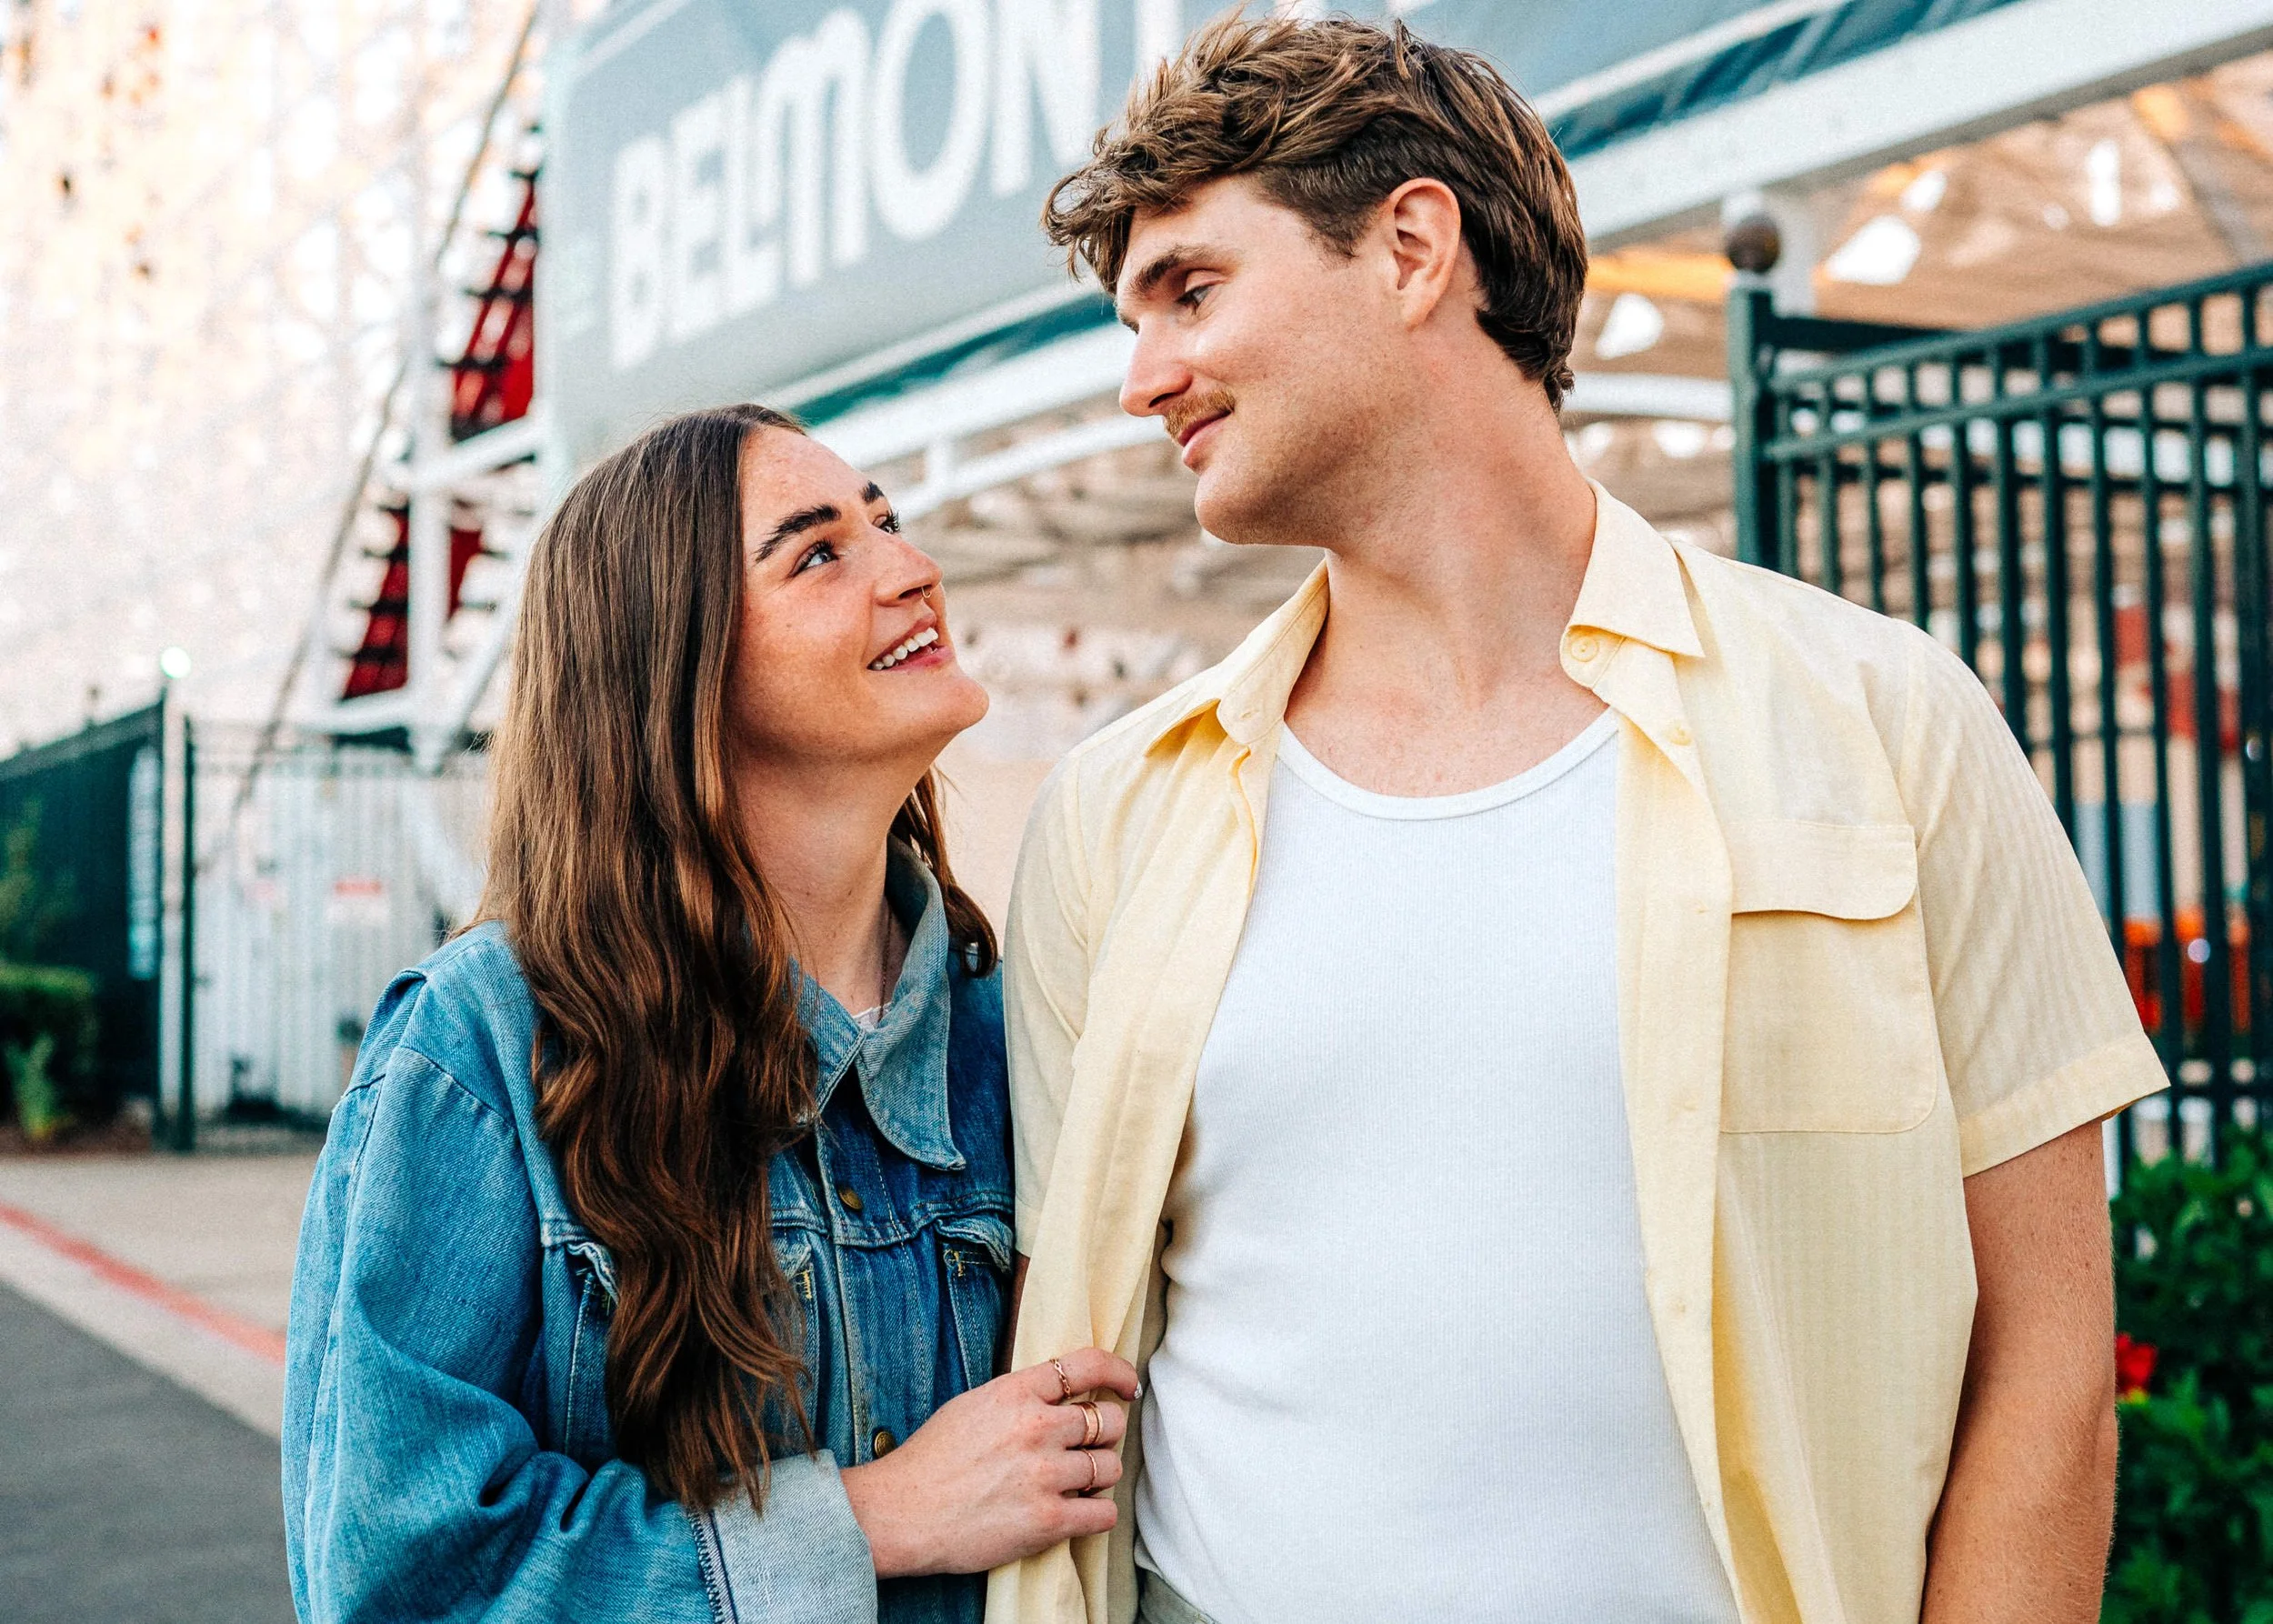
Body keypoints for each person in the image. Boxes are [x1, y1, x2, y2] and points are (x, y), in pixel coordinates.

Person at [996, 15, 2166, 1624]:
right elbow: (1078, 1373)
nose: (1142, 381)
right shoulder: (1110, 819)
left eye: (1190, 290)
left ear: (1412, 247)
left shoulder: (1889, 721)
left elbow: (2048, 1368)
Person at [283, 403, 1136, 1624]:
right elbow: (401, 1580)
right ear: (673, 667)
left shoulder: (1020, 1030)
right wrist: (873, 1517)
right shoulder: (478, 1053)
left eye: (887, 520)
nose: (913, 568)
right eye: (820, 551)